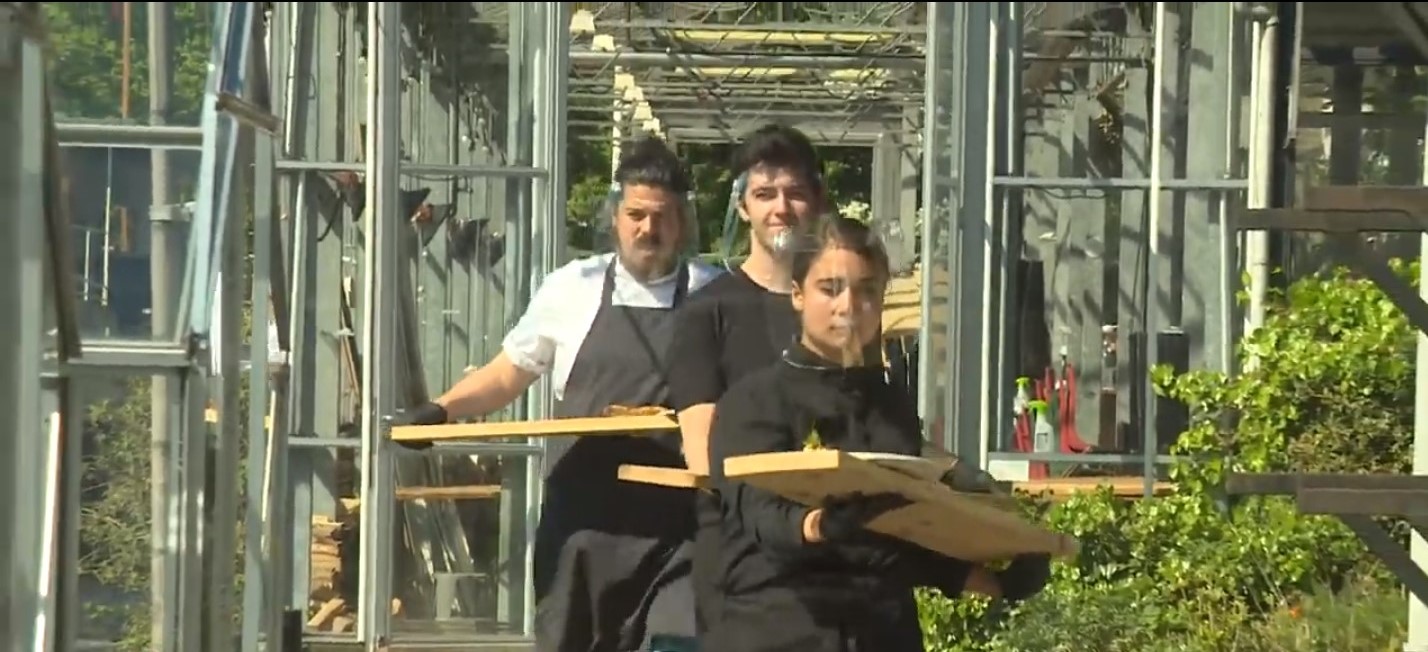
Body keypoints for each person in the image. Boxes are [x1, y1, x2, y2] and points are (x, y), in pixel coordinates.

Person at [394, 137, 722, 652]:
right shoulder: (573, 287)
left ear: (681, 221)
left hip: (677, 529)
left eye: (661, 216)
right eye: (635, 214)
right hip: (583, 528)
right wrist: (441, 411)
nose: (648, 229)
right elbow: (510, 372)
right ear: (615, 216)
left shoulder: (713, 295)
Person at [704, 217, 1052, 652]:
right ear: (797, 294)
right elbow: (758, 512)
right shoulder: (753, 402)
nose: (849, 306)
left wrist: (1000, 580)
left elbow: (904, 536)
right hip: (781, 626)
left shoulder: (890, 404)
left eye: (867, 290)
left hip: (884, 632)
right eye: (829, 289)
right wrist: (820, 525)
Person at [664, 123, 828, 633]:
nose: (781, 207)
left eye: (795, 192)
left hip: (834, 551)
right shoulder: (707, 312)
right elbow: (703, 450)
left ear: (817, 203)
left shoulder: (838, 309)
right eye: (764, 194)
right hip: (744, 562)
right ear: (742, 208)